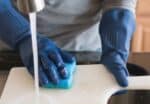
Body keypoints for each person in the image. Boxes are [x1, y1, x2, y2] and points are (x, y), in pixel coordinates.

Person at [0, 0, 137, 87]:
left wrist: (115, 46)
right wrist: (22, 36)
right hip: (13, 45)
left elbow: (120, 4)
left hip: (86, 52)